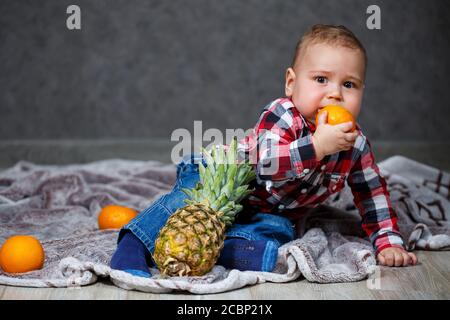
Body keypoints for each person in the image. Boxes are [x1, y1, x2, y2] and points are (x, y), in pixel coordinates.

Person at [110, 24, 417, 278]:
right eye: (321, 79)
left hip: (270, 210)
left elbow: (371, 193)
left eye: (349, 84)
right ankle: (133, 244)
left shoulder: (355, 143)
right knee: (184, 203)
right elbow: (268, 163)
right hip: (220, 178)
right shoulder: (282, 114)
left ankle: (224, 249)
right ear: (291, 83)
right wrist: (317, 147)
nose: (335, 93)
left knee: (279, 233)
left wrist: (387, 242)